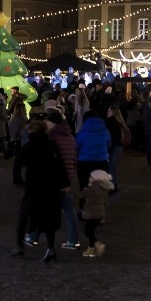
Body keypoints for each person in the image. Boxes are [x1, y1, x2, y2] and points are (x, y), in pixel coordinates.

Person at [12, 117, 70, 263]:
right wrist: (65, 182)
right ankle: (51, 248)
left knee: (24, 215)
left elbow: (18, 164)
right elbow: (59, 165)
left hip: (34, 186)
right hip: (51, 186)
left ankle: (20, 245)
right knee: (49, 217)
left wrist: (18, 179)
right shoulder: (51, 145)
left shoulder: (29, 146)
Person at [45, 109, 81, 250]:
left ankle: (33, 235)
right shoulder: (69, 135)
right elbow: (73, 158)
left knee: (43, 206)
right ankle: (73, 239)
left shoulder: (53, 137)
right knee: (68, 208)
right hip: (67, 176)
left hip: (56, 177)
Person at [75, 110, 111, 209]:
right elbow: (109, 144)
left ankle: (84, 210)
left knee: (84, 186)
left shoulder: (82, 132)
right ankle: (99, 213)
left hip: (85, 162)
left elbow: (77, 146)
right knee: (101, 187)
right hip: (102, 162)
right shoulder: (105, 131)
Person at [80, 169, 114, 258]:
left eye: (91, 177)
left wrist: (69, 190)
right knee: (90, 231)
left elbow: (81, 194)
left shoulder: (91, 189)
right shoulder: (104, 189)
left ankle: (96, 244)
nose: (89, 178)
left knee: (88, 231)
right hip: (99, 214)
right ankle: (91, 249)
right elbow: (106, 203)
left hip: (91, 213)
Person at [104, 104, 127, 192]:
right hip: (118, 147)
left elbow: (112, 138)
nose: (107, 112)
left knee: (110, 166)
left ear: (113, 113)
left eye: (109, 111)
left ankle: (112, 185)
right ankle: (114, 184)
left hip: (115, 147)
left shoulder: (113, 123)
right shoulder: (119, 123)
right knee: (113, 166)